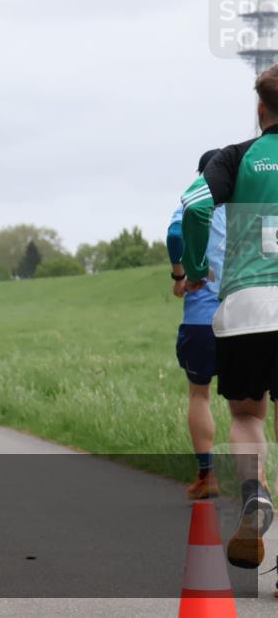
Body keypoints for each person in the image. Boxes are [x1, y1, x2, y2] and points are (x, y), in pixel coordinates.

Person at [180, 64, 278, 570]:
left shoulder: (236, 156)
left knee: (245, 415)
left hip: (247, 309)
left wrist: (195, 269)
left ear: (261, 110)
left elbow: (196, 206)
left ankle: (254, 495)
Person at [167, 149, 225, 500]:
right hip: (247, 314)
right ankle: (257, 483)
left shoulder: (193, 199)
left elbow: (175, 236)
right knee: (251, 406)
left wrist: (179, 275)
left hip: (202, 320)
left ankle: (208, 475)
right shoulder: (241, 204)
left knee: (199, 394)